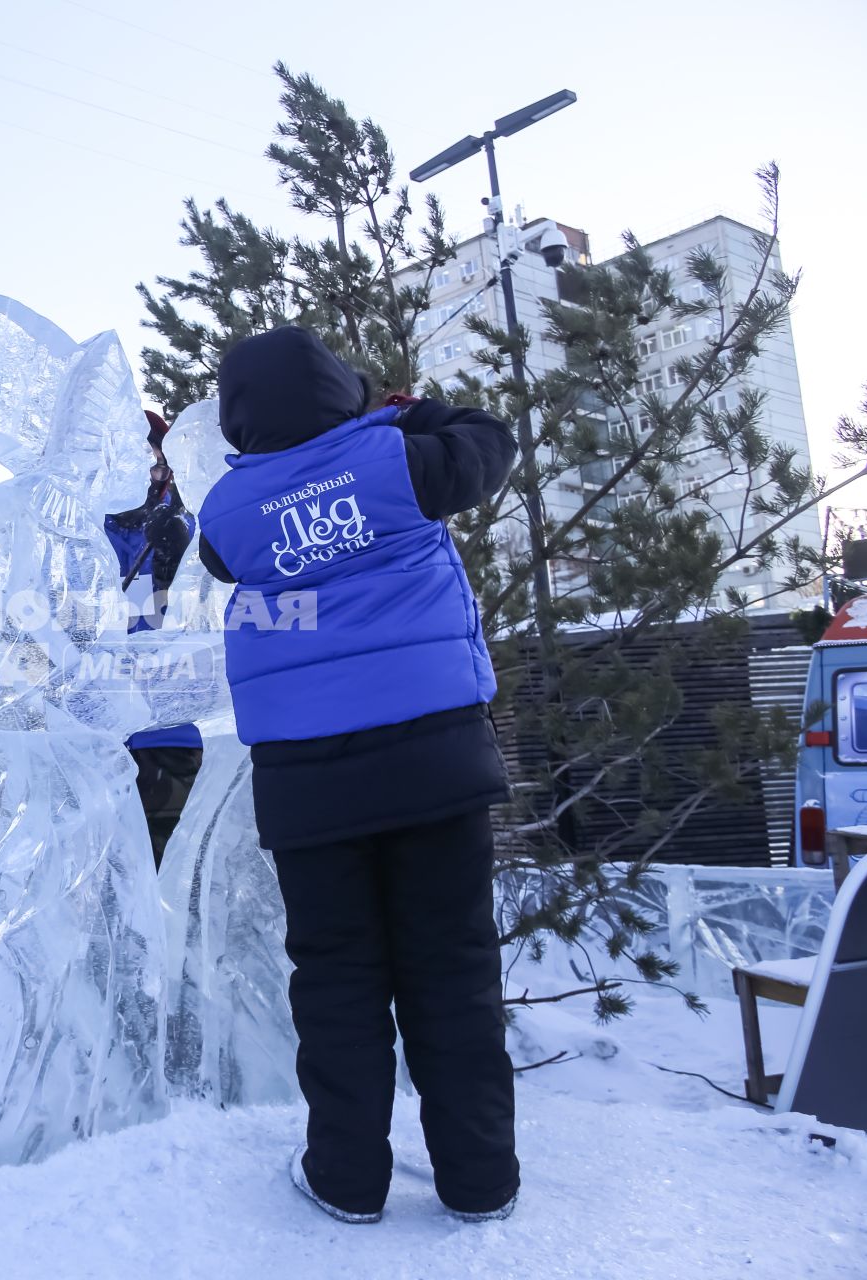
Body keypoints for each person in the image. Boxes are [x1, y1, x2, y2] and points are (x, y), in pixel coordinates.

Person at [194, 327, 521, 1225]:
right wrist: (403, 404)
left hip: (307, 780)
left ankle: (346, 1179)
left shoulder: (224, 516)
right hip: (432, 758)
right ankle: (480, 1179)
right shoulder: (405, 462)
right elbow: (492, 436)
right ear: (346, 394)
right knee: (452, 969)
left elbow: (224, 561)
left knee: (335, 979)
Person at [105, 409, 202, 869]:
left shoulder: (187, 528)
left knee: (158, 879)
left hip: (166, 737)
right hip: (86, 741)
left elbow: (212, 617)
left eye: (154, 459)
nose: (146, 471)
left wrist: (173, 572)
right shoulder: (72, 528)